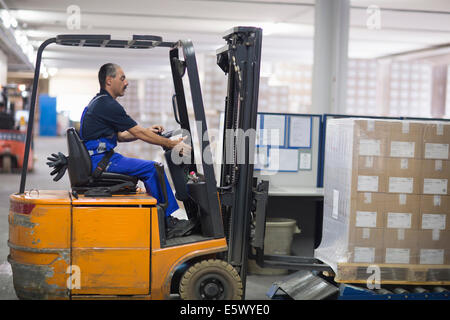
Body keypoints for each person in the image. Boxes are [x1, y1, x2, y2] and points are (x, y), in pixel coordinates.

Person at [80, 63, 195, 238]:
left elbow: (122, 136)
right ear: (109, 81)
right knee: (152, 168)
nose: (126, 82)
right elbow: (137, 132)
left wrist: (148, 132)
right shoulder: (107, 105)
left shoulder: (101, 102)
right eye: (122, 78)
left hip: (100, 158)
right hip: (102, 161)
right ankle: (167, 222)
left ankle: (164, 218)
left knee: (150, 167)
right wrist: (171, 144)